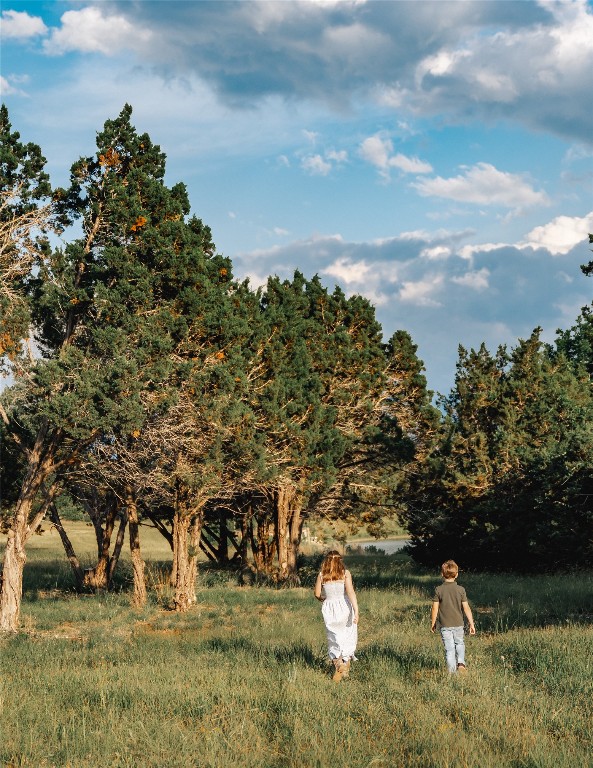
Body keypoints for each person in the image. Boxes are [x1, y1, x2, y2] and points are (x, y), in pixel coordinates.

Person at [314, 550, 359, 682]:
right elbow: (350, 592)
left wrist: (324, 599)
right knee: (347, 634)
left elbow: (317, 594)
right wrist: (356, 610)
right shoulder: (345, 574)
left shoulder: (322, 575)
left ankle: (339, 664)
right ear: (340, 560)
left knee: (334, 636)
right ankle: (344, 663)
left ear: (326, 561)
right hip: (344, 605)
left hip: (329, 607)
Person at [431, 559, 476, 674]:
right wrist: (471, 623)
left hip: (445, 625)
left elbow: (435, 608)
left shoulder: (439, 590)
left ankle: (452, 673)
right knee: (460, 643)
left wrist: (433, 623)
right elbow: (466, 608)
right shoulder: (460, 590)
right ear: (457, 574)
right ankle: (461, 663)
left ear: (442, 574)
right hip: (458, 624)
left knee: (449, 649)